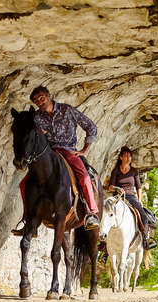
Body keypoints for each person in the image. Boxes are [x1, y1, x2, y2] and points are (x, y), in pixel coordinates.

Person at [13, 85, 100, 235]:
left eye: (41, 97)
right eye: (36, 101)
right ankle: (28, 220)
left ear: (48, 95)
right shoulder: (37, 117)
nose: (39, 101)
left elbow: (90, 126)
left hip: (69, 151)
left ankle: (91, 213)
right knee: (23, 184)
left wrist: (84, 149)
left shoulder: (67, 110)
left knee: (85, 177)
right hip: (49, 153)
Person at [108, 146, 157, 250]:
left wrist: (139, 200)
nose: (128, 158)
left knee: (143, 216)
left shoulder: (134, 171)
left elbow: (139, 187)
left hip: (130, 197)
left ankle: (145, 240)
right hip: (118, 197)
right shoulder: (116, 171)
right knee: (107, 213)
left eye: (130, 156)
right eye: (126, 156)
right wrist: (117, 188)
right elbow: (110, 187)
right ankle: (104, 240)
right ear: (121, 157)